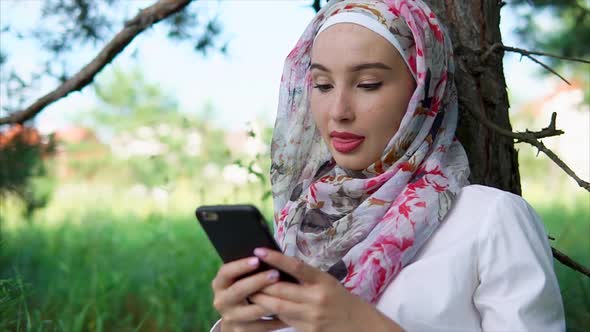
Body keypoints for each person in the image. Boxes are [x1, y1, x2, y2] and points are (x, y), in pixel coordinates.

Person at [209, 0, 565, 331]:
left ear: (423, 90)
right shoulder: (299, 223)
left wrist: (362, 323)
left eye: (368, 84)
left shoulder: (490, 219)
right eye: (322, 85)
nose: (338, 111)